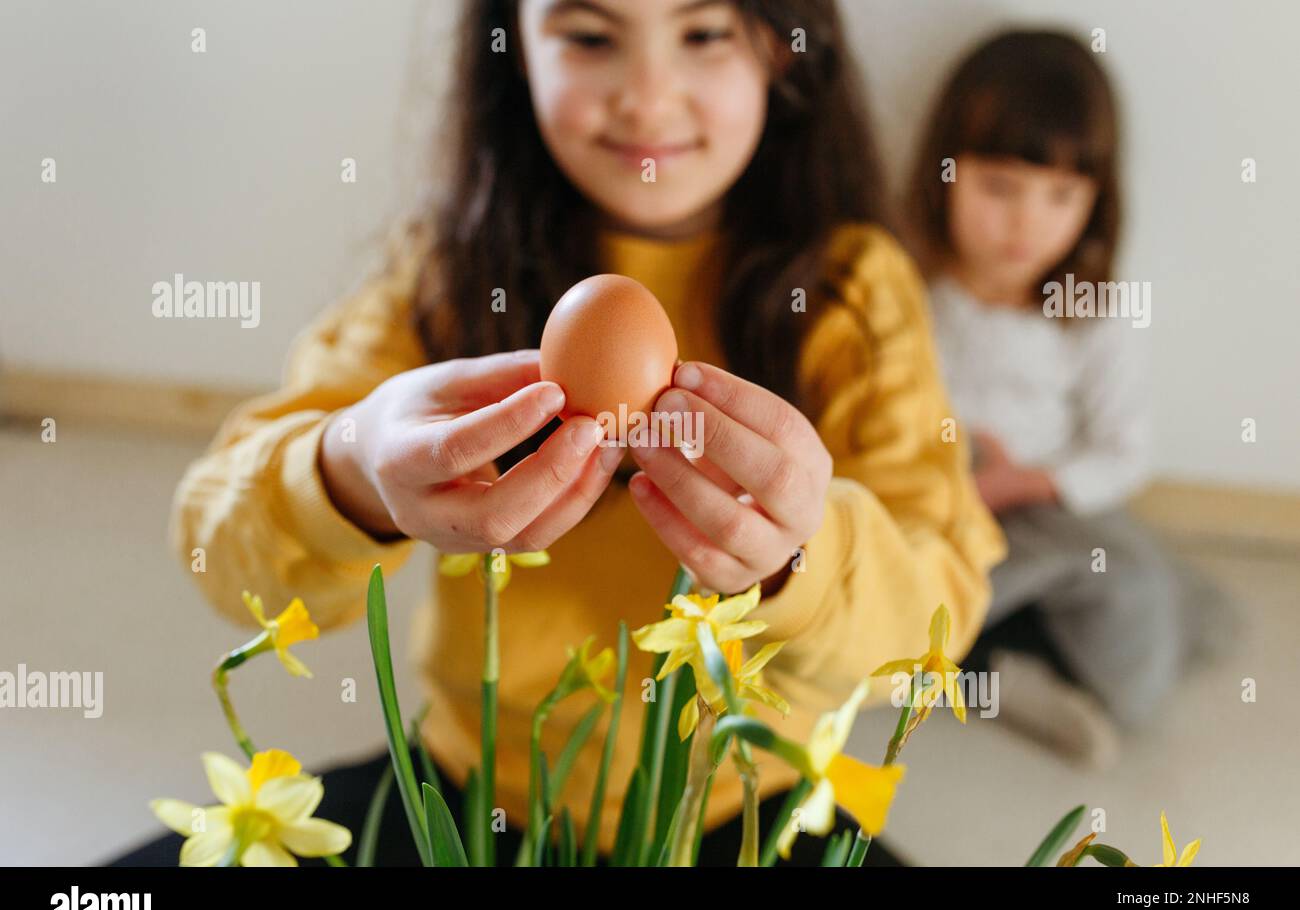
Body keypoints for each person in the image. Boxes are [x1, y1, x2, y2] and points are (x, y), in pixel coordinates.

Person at [111, 0, 1005, 866]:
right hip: (474, 799)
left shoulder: (854, 291)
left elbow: (935, 622)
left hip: (748, 805)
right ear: (514, 48)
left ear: (782, 43)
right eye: (587, 33)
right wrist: (350, 468)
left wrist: (806, 559)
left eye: (701, 31)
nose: (648, 97)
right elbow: (213, 544)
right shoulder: (445, 271)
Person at [905, 29, 1239, 769]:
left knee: (1138, 605)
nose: (1028, 223)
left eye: (1061, 196)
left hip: (1042, 517)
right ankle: (989, 675)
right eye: (1000, 189)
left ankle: (989, 663)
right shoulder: (906, 288)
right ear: (945, 175)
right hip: (935, 515)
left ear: (1097, 198)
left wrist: (1027, 481)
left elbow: (1123, 452)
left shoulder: (1091, 311)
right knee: (882, 599)